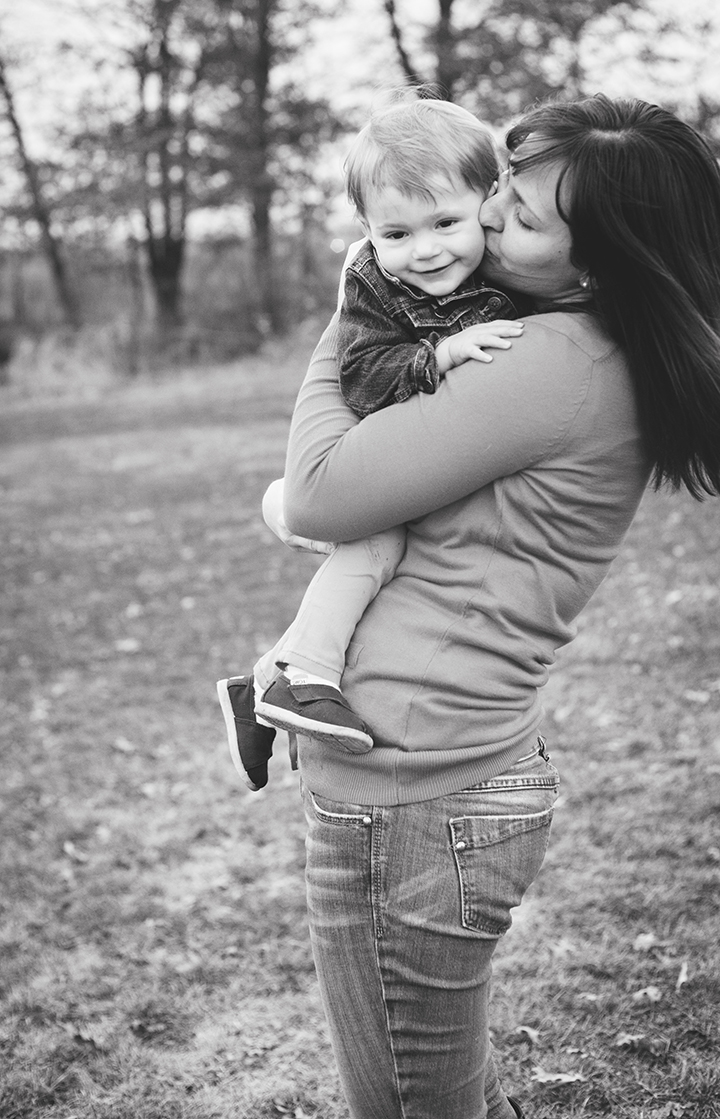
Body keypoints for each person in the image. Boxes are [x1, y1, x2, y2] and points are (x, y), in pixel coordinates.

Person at [263, 94, 720, 1118]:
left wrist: (355, 303)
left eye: (523, 213)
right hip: (439, 774)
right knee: (443, 1091)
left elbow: (319, 493)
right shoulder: (560, 338)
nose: (490, 218)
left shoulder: (548, 364)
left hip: (412, 790)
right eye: (505, 185)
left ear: (596, 262)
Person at [217, 97, 528, 790]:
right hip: (364, 466)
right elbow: (358, 376)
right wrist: (440, 354)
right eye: (397, 232)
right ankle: (306, 678)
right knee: (378, 547)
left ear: (491, 201)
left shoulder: (498, 266)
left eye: (447, 222)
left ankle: (263, 685)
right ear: (366, 230)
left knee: (396, 570)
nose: (425, 250)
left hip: (412, 472)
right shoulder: (373, 281)